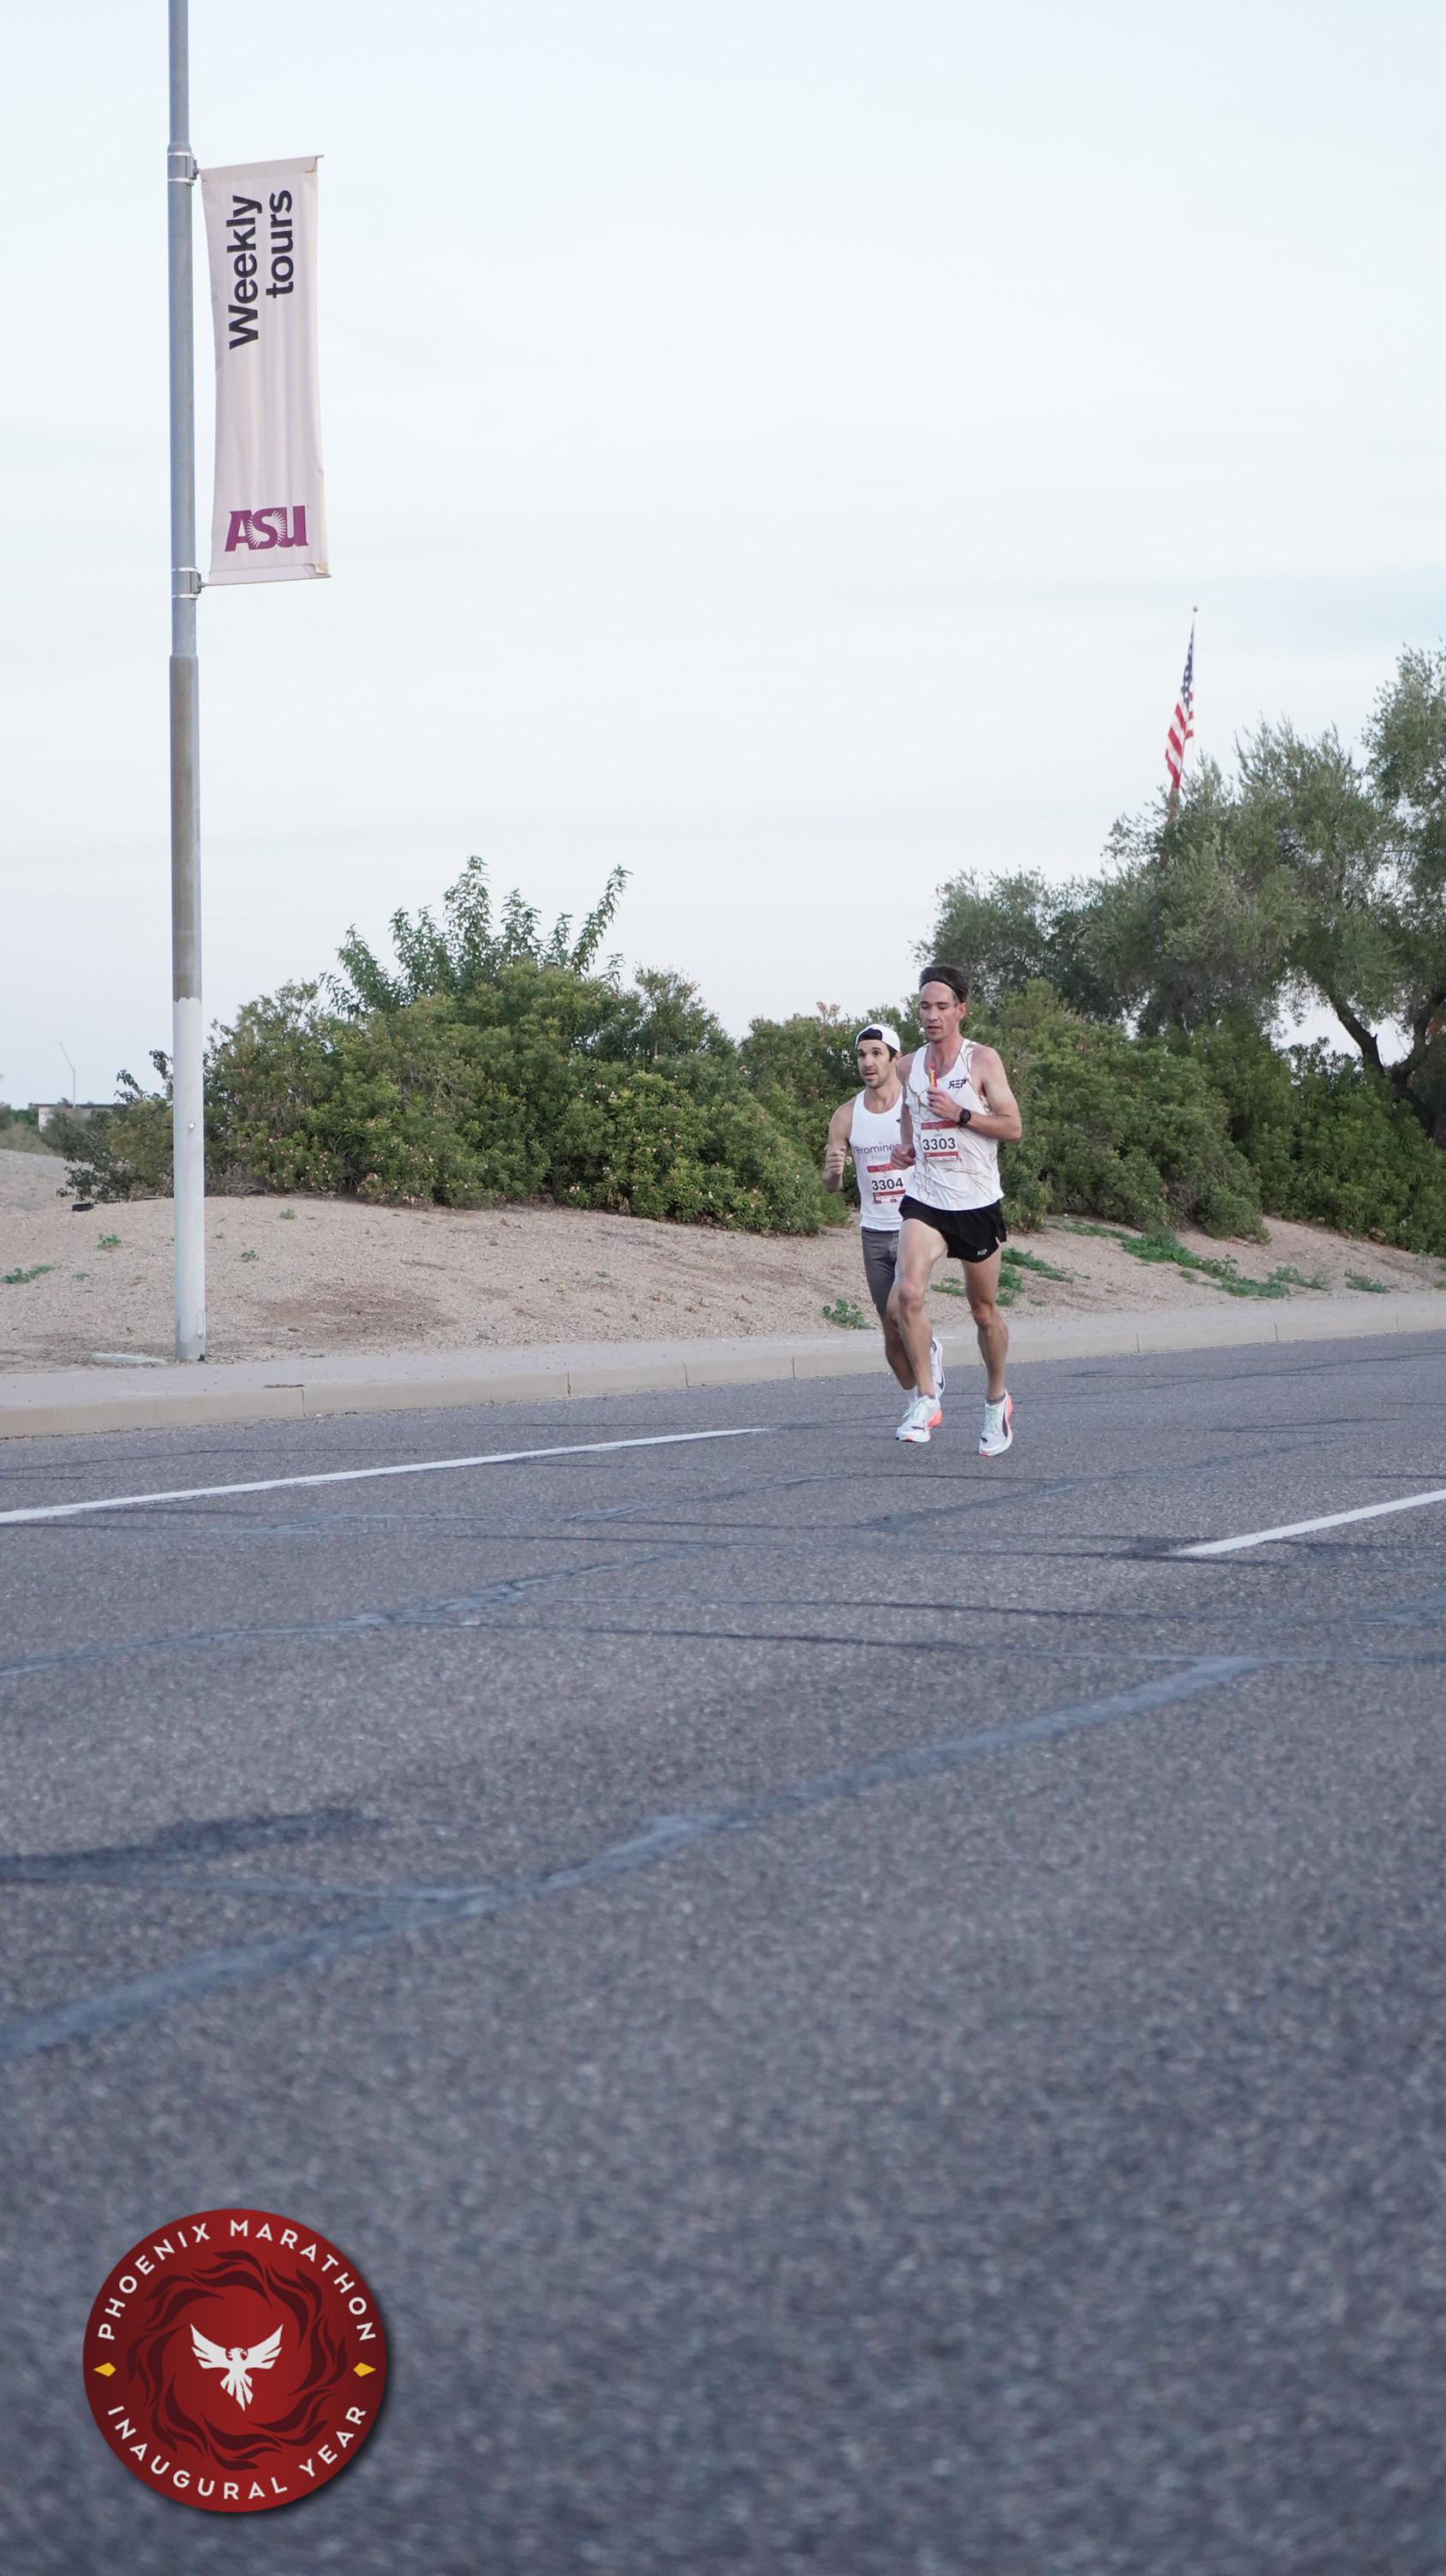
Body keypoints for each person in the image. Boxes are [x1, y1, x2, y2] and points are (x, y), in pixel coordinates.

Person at [887, 963, 1023, 1452]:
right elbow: (910, 1113)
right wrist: (907, 1147)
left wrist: (961, 1114)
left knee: (983, 1312)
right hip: (927, 1198)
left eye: (942, 1007)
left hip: (977, 1202)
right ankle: (927, 1398)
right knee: (907, 1294)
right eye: (925, 1006)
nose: (932, 1015)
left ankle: (996, 1402)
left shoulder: (982, 1060)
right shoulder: (907, 1067)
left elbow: (1012, 1127)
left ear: (961, 1010)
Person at [822, 1023, 946, 1399]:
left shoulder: (916, 1104)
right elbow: (830, 1185)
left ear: (895, 1058)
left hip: (916, 1224)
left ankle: (928, 1365)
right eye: (862, 1055)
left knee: (899, 1306)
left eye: (877, 1053)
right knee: (891, 1331)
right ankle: (915, 1399)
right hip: (873, 1231)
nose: (868, 1062)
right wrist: (833, 1172)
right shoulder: (847, 1115)